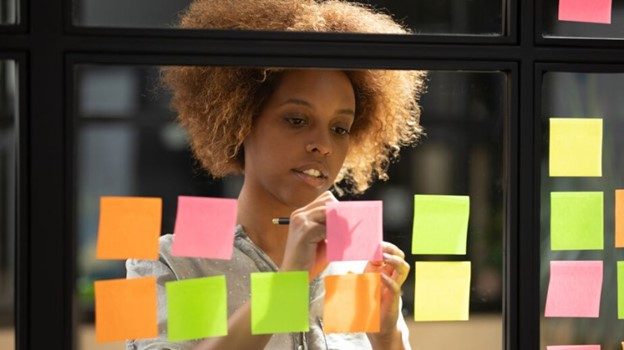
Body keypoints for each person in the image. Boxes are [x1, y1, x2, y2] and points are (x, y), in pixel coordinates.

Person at [126, 1, 426, 349]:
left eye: (340, 128)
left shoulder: (358, 269)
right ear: (240, 122)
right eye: (296, 120)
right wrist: (289, 283)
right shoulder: (172, 262)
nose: (323, 145)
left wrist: (388, 339)